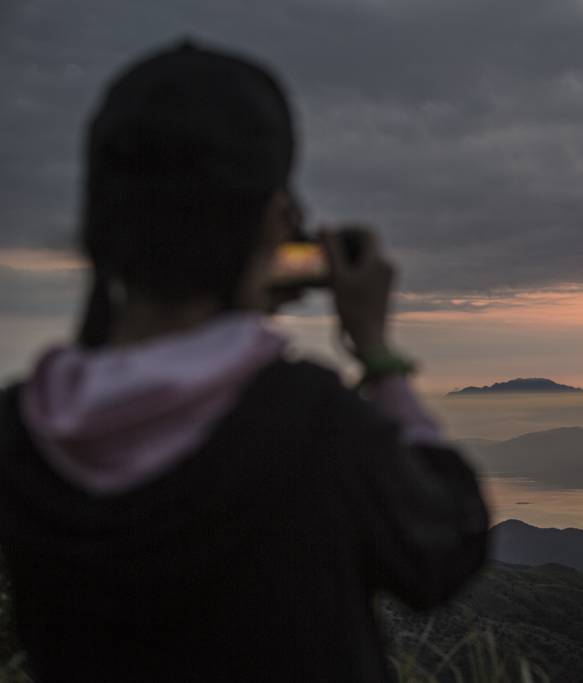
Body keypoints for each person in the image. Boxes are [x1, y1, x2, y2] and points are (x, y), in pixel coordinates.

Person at [0, 40, 489, 681]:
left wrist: (242, 287)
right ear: (271, 219)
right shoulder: (311, 426)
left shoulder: (21, 433)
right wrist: (376, 350)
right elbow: (445, 547)